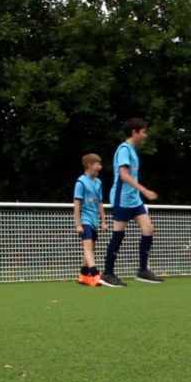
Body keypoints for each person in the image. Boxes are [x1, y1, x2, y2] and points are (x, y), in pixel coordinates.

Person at [99, 117, 163, 287]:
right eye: (143, 132)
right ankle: (107, 273)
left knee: (148, 229)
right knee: (119, 233)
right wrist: (144, 190)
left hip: (134, 199)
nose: (145, 135)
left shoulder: (133, 151)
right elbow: (123, 175)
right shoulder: (124, 150)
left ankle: (143, 270)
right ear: (135, 132)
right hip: (122, 198)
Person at [73, 153, 108, 286]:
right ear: (89, 165)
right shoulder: (80, 182)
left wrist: (103, 221)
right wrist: (78, 224)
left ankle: (83, 275)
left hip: (94, 221)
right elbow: (76, 205)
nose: (100, 167)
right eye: (98, 164)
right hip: (85, 220)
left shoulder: (98, 182)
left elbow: (100, 203)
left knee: (91, 248)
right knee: (87, 248)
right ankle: (95, 274)